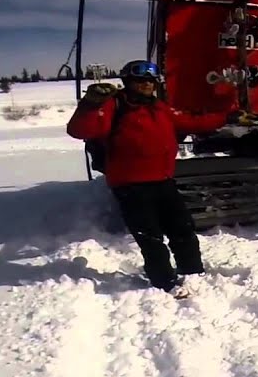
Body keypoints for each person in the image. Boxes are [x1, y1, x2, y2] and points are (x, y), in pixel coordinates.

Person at [66, 59, 231, 296]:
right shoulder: (114, 105)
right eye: (140, 80)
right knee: (150, 236)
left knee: (182, 228)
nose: (146, 85)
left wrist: (227, 116)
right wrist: (90, 104)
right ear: (128, 81)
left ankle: (192, 270)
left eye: (151, 81)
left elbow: (192, 121)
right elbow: (80, 130)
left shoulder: (159, 107)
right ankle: (164, 281)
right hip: (131, 185)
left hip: (163, 180)